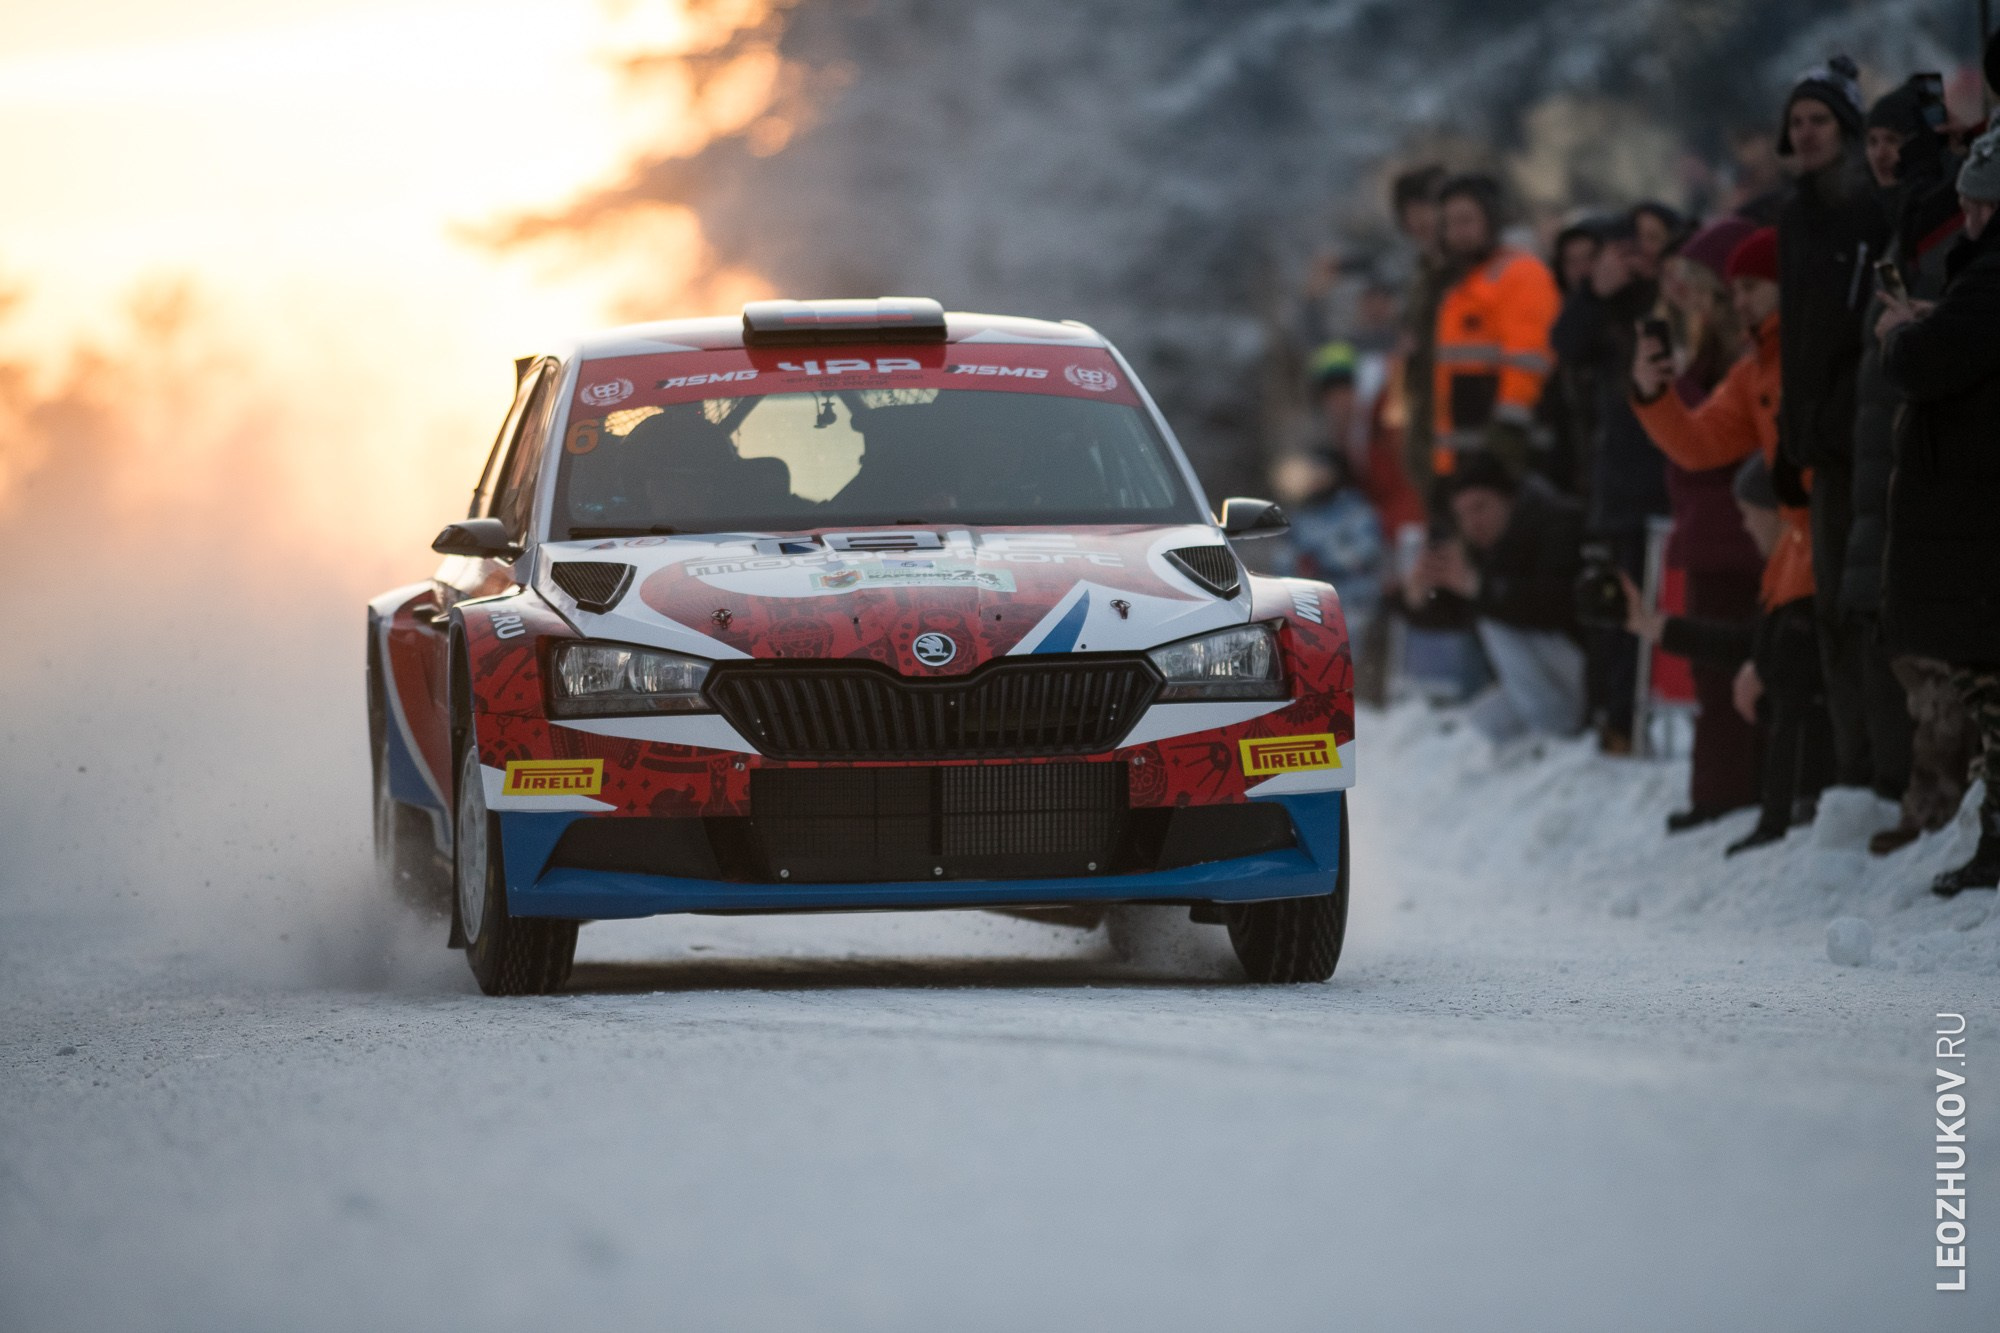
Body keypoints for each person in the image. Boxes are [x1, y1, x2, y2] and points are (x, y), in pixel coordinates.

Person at [1877, 123, 2000, 897]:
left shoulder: (1991, 276)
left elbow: (1931, 363)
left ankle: (1995, 843)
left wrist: (1897, 337)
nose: (1969, 218)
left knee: (1992, 690)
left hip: (1978, 513)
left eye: (1973, 204)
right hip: (1975, 507)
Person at [1771, 55, 1897, 803]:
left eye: (1820, 120)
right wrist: (1794, 425)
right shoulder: (1795, 216)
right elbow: (1797, 334)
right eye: (1797, 122)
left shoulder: (1874, 212)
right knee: (1828, 611)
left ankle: (1890, 774)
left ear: (1847, 129)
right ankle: (1851, 772)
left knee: (1867, 607)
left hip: (1870, 436)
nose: (1807, 133)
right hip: (1817, 439)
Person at [1843, 75, 1961, 853]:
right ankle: (1925, 799)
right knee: (1899, 633)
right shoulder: (1900, 223)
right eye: (1874, 140)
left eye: (1894, 139)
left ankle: (1939, 803)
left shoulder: (1942, 223)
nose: (1882, 154)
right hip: (1885, 443)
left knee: (1934, 638)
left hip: (1929, 448)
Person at [1622, 457, 1830, 855]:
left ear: (1778, 515)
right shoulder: (1787, 571)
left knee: (1785, 691)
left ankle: (1789, 813)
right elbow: (1745, 644)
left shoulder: (1805, 576)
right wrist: (1652, 625)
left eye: (1750, 515)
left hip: (1820, 780)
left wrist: (1764, 666)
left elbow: (1781, 657)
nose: (1746, 527)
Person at [1650, 214, 1766, 830]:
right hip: (1710, 530)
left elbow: (1715, 437)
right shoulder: (1711, 352)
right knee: (1712, 673)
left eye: (1696, 282)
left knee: (1726, 671)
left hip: (1733, 534)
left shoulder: (1738, 358)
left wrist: (1666, 398)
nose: (1684, 296)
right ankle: (1721, 791)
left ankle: (1729, 793)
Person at [1550, 209, 1670, 753]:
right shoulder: (1596, 315)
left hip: (1667, 470)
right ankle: (1618, 716)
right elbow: (1566, 341)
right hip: (1616, 481)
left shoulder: (1663, 300)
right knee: (1616, 608)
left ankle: (1646, 717)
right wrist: (1594, 294)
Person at [1403, 453, 1587, 745]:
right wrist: (1416, 596)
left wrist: (1478, 588)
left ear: (1509, 499)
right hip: (1538, 680)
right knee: (1479, 727)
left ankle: (1554, 738)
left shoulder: (1558, 524)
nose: (1473, 522)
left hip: (1584, 669)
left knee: (1494, 621)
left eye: (1480, 508)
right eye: (1462, 515)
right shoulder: (1488, 546)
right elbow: (1459, 615)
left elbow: (1553, 606)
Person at [1429, 173, 1562, 483]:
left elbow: (1529, 357)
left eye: (1466, 220)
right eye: (1449, 223)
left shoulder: (1521, 274)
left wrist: (1508, 429)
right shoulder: (1461, 286)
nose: (1456, 232)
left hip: (1511, 456)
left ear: (1492, 219)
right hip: (1467, 459)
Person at [1389, 165, 1449, 504]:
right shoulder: (1421, 277)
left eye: (1425, 208)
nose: (1419, 221)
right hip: (1425, 417)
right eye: (1410, 213)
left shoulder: (1466, 271)